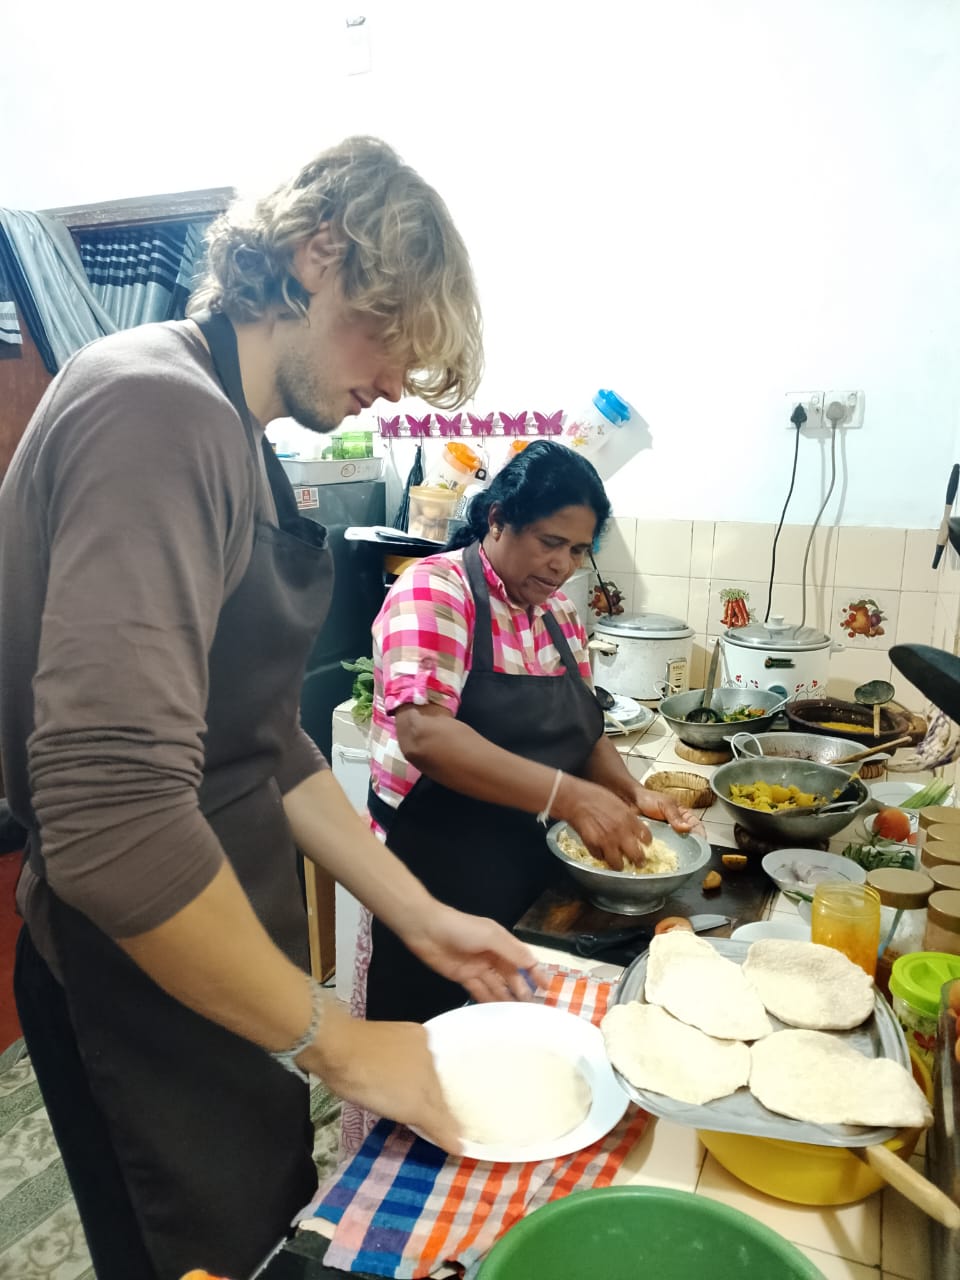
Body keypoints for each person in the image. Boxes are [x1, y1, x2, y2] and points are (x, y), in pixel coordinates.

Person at [0, 137, 540, 1280]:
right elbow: (108, 817)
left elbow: (262, 743)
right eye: (387, 331)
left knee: (263, 1238)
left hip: (224, 951)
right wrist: (339, 1043)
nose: (395, 379)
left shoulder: (235, 438)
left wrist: (421, 914)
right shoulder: (153, 409)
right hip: (135, 967)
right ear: (314, 252)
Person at [357, 440, 701, 1031]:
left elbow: (581, 729)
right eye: (549, 543)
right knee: (432, 1043)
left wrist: (626, 790)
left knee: (516, 1047)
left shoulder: (559, 616)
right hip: (432, 872)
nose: (562, 565)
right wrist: (570, 796)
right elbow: (426, 736)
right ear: (498, 519)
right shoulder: (436, 592)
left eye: (577, 551)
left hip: (525, 863)